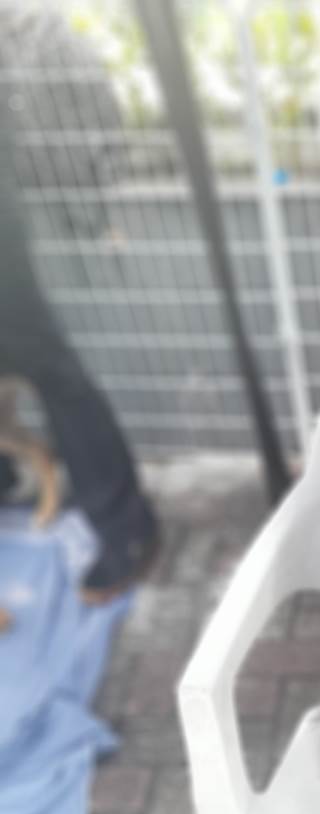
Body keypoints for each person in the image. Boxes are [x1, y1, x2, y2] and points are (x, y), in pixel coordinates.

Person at [0, 4, 157, 595]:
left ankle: (126, 527)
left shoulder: (39, 36)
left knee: (51, 370)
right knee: (47, 368)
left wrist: (91, 204)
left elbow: (90, 124)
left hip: (14, 216)